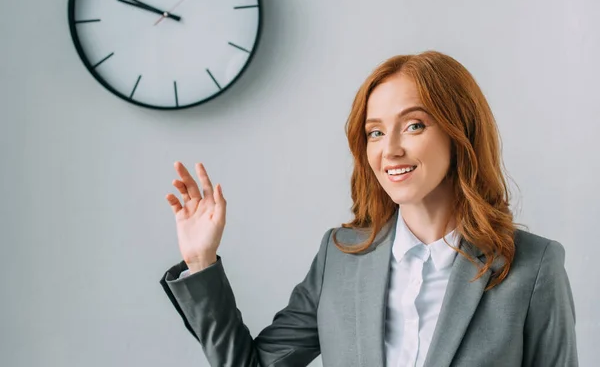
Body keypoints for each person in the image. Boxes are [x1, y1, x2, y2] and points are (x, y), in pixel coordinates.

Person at [159, 51, 578, 367]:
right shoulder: (340, 256)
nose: (390, 149)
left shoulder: (533, 266)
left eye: (414, 125)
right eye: (375, 132)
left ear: (460, 132)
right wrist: (201, 261)